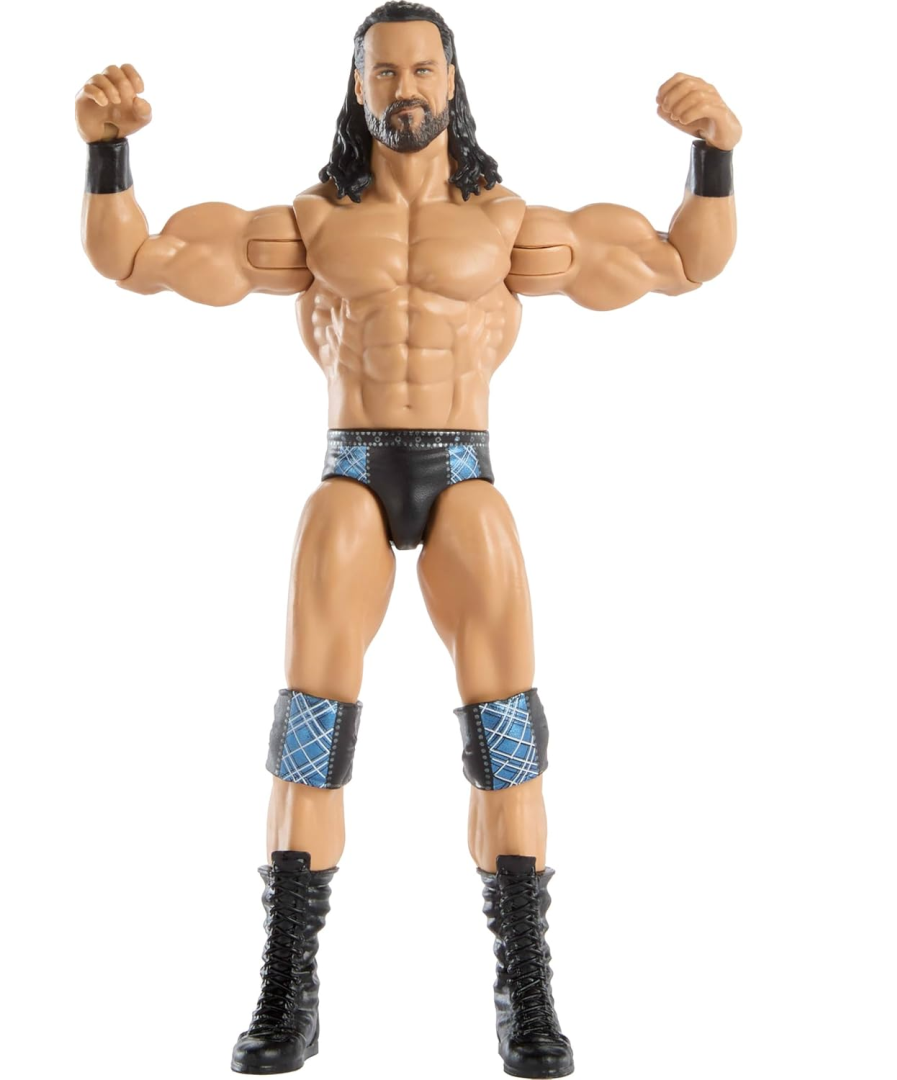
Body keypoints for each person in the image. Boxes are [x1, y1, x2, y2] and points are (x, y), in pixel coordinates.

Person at [75, 3, 740, 1075]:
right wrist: (109, 152)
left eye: (422, 68)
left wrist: (712, 156)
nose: (405, 88)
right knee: (310, 724)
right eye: (385, 72)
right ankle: (287, 990)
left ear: (452, 79)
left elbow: (680, 264)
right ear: (359, 86)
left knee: (507, 730)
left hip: (463, 470)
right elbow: (139, 261)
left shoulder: (510, 225)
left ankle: (528, 991)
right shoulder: (312, 223)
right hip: (353, 468)